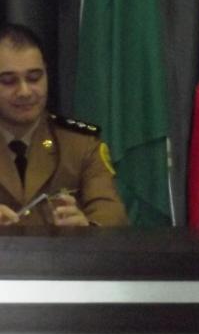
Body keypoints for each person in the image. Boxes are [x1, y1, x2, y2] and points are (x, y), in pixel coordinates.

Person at [0, 23, 127, 226]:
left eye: (34, 78)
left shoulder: (79, 143)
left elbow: (112, 214)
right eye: (8, 81)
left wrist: (88, 227)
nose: (24, 92)